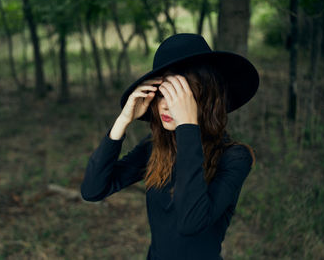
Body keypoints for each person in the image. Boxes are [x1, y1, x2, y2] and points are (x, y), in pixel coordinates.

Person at [80, 33, 259, 260]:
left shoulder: (234, 157)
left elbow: (190, 221)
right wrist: (123, 120)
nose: (165, 105)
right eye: (161, 93)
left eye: (179, 95)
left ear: (206, 97)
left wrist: (187, 126)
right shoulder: (155, 147)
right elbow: (93, 190)